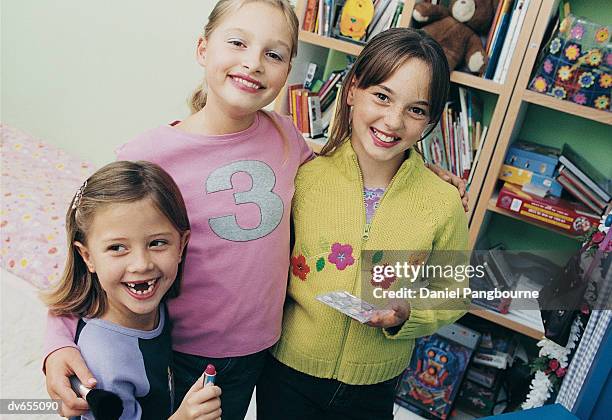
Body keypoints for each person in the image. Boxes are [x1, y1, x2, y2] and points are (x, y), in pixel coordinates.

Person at [42, 2, 468, 418]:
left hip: (262, 353)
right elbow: (91, 253)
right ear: (203, 49)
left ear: (288, 69)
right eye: (238, 43)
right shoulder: (147, 156)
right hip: (178, 348)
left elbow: (361, 175)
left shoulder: (288, 140)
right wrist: (58, 341)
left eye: (274, 54)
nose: (254, 64)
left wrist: (421, 175)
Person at [256, 28, 471, 420]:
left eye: (416, 109)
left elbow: (453, 291)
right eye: (382, 96)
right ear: (353, 90)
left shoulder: (442, 202)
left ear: (431, 121)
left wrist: (409, 313)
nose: (393, 121)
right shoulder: (304, 177)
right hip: (287, 373)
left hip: (376, 387)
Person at [42, 161, 222, 420]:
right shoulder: (103, 366)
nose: (141, 265)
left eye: (157, 243)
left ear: (181, 246)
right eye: (117, 248)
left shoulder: (153, 301)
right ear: (87, 257)